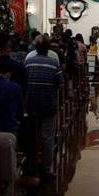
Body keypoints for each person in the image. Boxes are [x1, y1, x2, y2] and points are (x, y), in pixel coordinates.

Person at [24, 35, 64, 179]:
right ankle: (47, 170)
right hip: (48, 103)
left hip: (31, 104)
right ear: (48, 48)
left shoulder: (28, 62)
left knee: (31, 136)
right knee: (47, 138)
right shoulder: (53, 63)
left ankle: (31, 168)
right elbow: (60, 84)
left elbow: (24, 82)